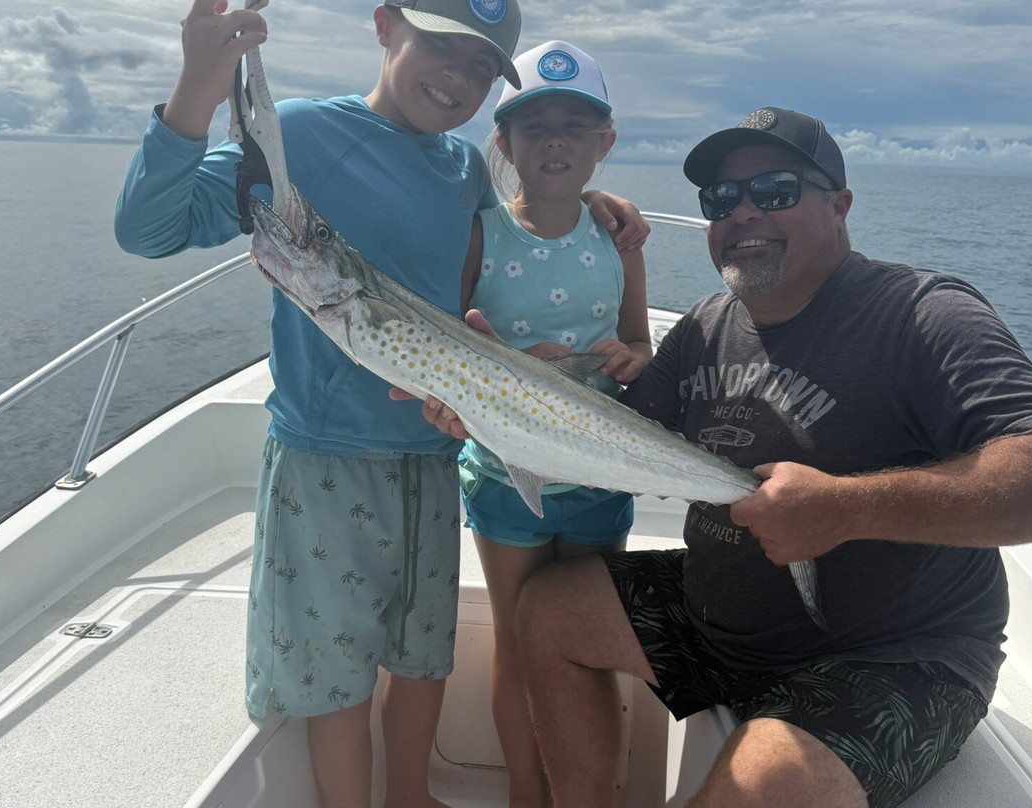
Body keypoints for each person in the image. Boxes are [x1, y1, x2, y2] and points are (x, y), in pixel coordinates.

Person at [417, 107, 1032, 807]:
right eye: (721, 200)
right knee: (548, 610)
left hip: (890, 657)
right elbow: (611, 439)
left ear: (839, 205)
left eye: (775, 191)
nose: (744, 212)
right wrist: (491, 397)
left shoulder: (922, 314)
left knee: (762, 783)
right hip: (721, 623)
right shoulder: (706, 327)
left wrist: (847, 508)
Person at [112, 2, 649, 806]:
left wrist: (608, 208)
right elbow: (151, 229)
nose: (458, 79)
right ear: (386, 25)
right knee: (336, 669)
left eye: (480, 69)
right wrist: (198, 85)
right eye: (442, 47)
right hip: (325, 456)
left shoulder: (463, 171)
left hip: (436, 454)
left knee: (422, 653)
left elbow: (498, 258)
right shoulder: (300, 133)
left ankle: (412, 796)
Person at [456, 40, 651, 807]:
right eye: (534, 128)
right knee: (516, 641)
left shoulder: (619, 239)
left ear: (604, 145)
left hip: (598, 470)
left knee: (586, 645)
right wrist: (504, 358)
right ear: (504, 143)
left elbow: (638, 339)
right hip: (505, 471)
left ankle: (590, 789)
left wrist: (631, 358)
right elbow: (455, 339)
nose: (556, 141)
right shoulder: (480, 232)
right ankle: (525, 794)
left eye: (576, 126)